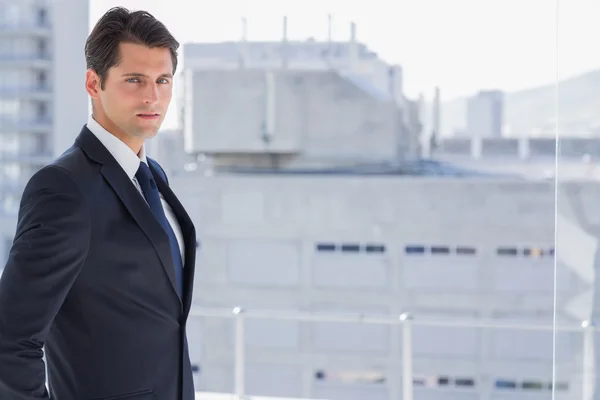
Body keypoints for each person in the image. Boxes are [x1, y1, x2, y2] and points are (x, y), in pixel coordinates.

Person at [0, 7, 197, 400]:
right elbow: (10, 341)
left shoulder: (152, 175)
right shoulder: (64, 189)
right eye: (134, 80)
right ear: (94, 84)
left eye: (163, 80)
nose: (152, 96)